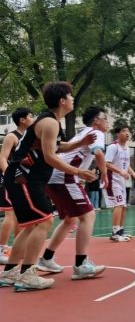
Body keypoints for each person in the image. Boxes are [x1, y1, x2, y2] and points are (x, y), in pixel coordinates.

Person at [0, 82, 97, 291]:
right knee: (44, 221)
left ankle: (10, 271)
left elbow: (58, 146)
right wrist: (78, 172)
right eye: (70, 96)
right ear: (62, 100)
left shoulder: (49, 122)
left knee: (32, 225)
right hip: (24, 177)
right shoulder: (50, 123)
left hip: (20, 177)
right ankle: (27, 274)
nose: (73, 99)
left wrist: (80, 143)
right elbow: (50, 156)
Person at [36, 106, 110, 279]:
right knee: (88, 216)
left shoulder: (82, 133)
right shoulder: (95, 132)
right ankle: (81, 265)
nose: (107, 122)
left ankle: (46, 259)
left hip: (55, 177)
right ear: (96, 121)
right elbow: (99, 153)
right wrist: (104, 174)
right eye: (105, 118)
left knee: (70, 220)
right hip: (64, 177)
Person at [0, 107, 34, 265]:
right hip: (11, 180)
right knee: (10, 215)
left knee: (21, 216)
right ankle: (1, 249)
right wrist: (11, 176)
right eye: (31, 116)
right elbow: (2, 158)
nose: (33, 119)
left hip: (24, 181)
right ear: (22, 120)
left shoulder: (29, 137)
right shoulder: (12, 136)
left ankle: (18, 249)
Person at [104, 124, 135, 242]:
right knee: (119, 205)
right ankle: (115, 233)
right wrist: (120, 171)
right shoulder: (113, 147)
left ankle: (120, 231)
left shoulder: (127, 148)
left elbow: (126, 164)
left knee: (124, 206)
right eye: (124, 131)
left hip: (121, 181)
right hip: (112, 180)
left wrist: (132, 173)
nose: (127, 133)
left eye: (128, 131)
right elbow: (107, 163)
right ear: (117, 134)